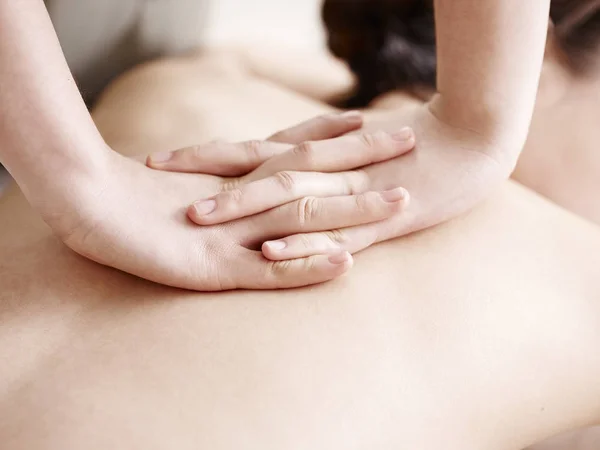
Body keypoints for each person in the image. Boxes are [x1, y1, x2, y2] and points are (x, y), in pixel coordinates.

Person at [1, 38, 600, 449]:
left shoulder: (179, 85)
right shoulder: (581, 276)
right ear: (539, 56)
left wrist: (406, 93)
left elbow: (235, 54)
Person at [0, 0, 553, 290]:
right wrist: (77, 178)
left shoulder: (180, 75)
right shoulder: (568, 271)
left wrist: (476, 119)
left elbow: (229, 57)